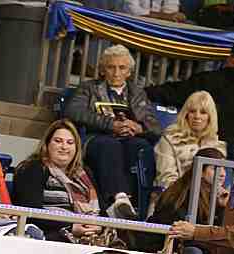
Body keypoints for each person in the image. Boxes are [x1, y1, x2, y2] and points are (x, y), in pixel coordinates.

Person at [64, 44, 161, 218]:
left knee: (140, 146)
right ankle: (119, 198)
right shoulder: (89, 88)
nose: (116, 73)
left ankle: (140, 205)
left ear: (129, 72)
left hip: (129, 139)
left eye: (122, 68)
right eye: (111, 67)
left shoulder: (137, 92)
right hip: (96, 137)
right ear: (103, 70)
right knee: (110, 145)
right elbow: (73, 111)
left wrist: (137, 127)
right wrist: (111, 124)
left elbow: (154, 127)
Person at [12, 119, 121, 246]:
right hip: (50, 236)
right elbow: (31, 212)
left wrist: (98, 226)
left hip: (90, 235)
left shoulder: (84, 173)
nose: (64, 147)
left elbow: (102, 211)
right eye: (58, 141)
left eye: (70, 142)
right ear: (47, 144)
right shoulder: (33, 168)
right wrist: (70, 226)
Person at [136, 146, 228, 254]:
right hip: (159, 246)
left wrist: (223, 207)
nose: (222, 174)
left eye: (224, 168)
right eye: (215, 168)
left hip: (186, 244)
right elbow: (182, 232)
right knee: (194, 252)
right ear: (201, 171)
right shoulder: (183, 193)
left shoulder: (218, 195)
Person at [153, 91, 226, 191]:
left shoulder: (217, 145)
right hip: (177, 196)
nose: (197, 116)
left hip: (209, 197)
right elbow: (166, 180)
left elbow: (219, 181)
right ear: (186, 114)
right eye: (192, 111)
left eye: (203, 112)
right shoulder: (169, 139)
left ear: (210, 117)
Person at [120, 0, 187, 21]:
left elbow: (172, 12)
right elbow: (133, 10)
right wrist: (165, 16)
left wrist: (176, 16)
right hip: (133, 27)